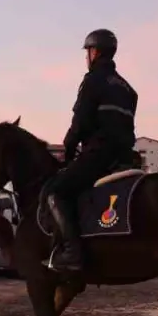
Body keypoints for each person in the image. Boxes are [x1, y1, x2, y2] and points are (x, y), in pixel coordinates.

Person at [46, 29, 138, 271]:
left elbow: (81, 122)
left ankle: (72, 253)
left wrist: (67, 149)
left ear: (94, 52)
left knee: (56, 191)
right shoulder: (129, 89)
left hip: (99, 155)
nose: (87, 57)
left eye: (88, 52)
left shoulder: (92, 80)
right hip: (125, 158)